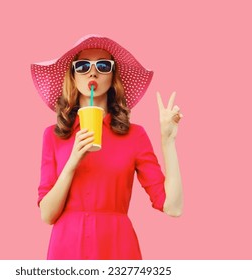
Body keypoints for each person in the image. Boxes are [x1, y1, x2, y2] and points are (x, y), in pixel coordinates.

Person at [31, 34, 183, 260]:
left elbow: (173, 207)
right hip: (66, 252)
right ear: (72, 76)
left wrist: (168, 142)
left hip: (117, 250)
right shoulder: (53, 136)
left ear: (113, 77)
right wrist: (72, 161)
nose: (93, 72)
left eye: (103, 65)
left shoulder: (135, 135)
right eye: (82, 66)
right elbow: (47, 214)